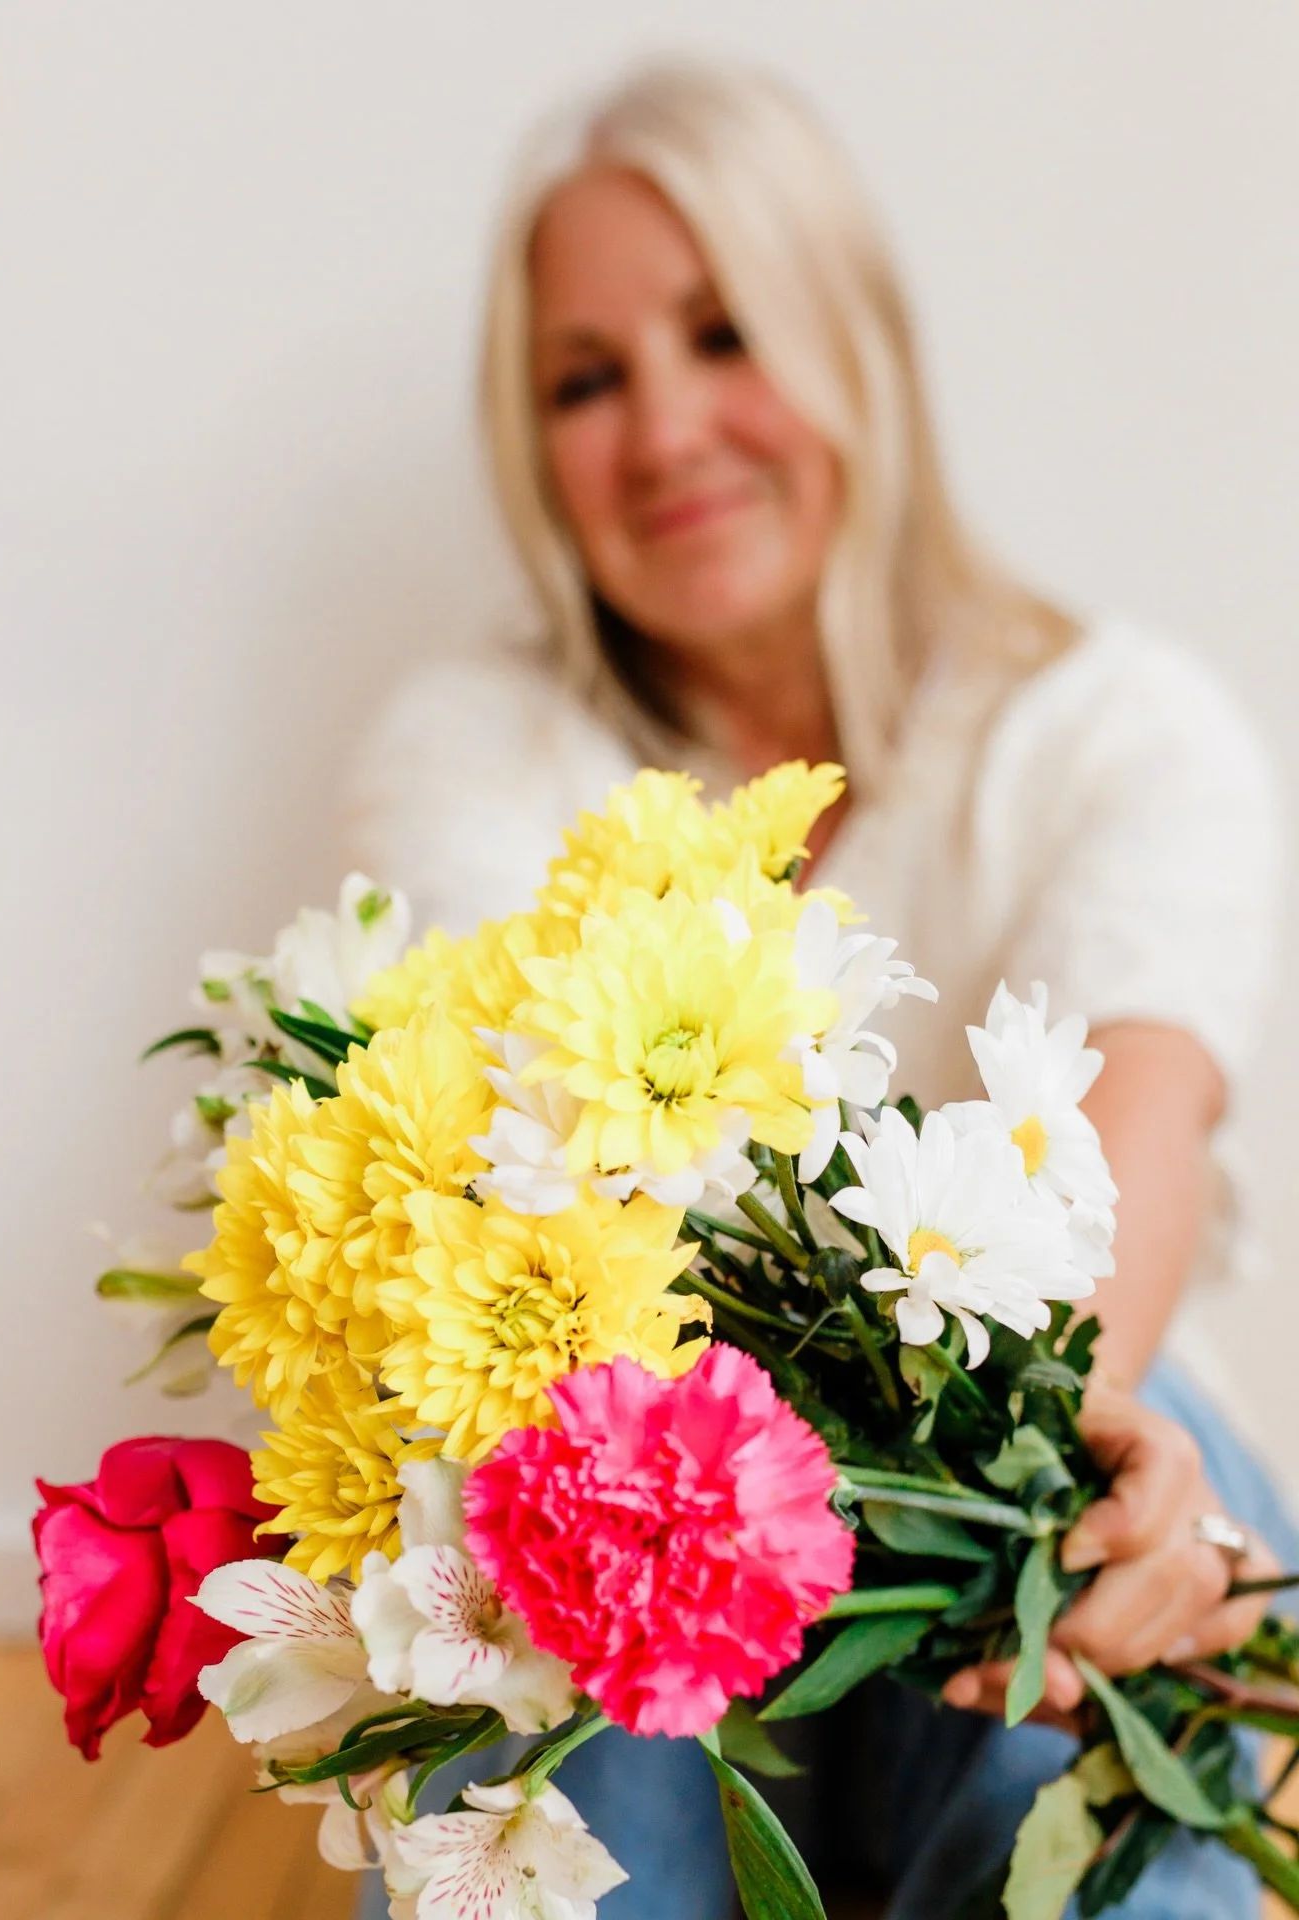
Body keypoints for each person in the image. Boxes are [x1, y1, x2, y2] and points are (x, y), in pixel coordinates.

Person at [341, 61, 1297, 1920]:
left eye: (724, 333)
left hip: (1061, 1445)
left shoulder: (1120, 734)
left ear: (857, 347)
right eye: (588, 377)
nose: (668, 428)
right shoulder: (472, 755)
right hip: (641, 1523)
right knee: (563, 1499)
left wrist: (1065, 1492)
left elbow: (1134, 1129)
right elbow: (519, 1204)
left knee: (1088, 1678)